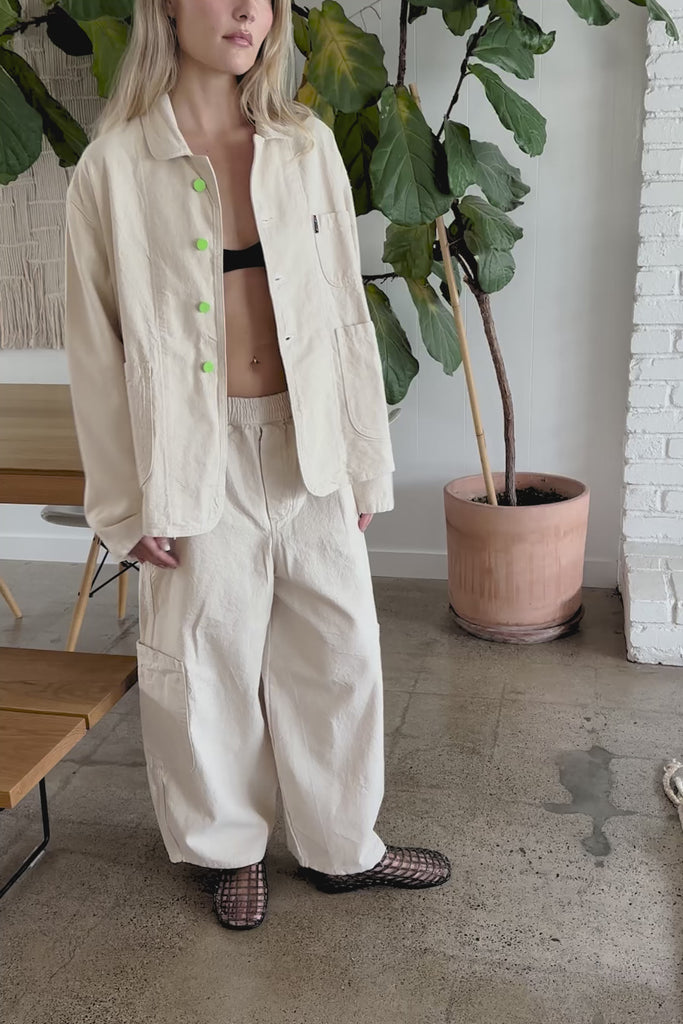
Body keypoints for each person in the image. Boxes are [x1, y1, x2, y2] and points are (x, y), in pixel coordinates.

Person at [63, 0, 451, 931]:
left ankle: (341, 845)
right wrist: (123, 505)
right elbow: (95, 351)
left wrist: (361, 459)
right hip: (193, 454)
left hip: (306, 443)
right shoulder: (112, 168)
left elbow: (342, 314)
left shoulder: (303, 144)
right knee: (204, 661)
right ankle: (225, 848)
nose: (248, 12)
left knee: (341, 653)